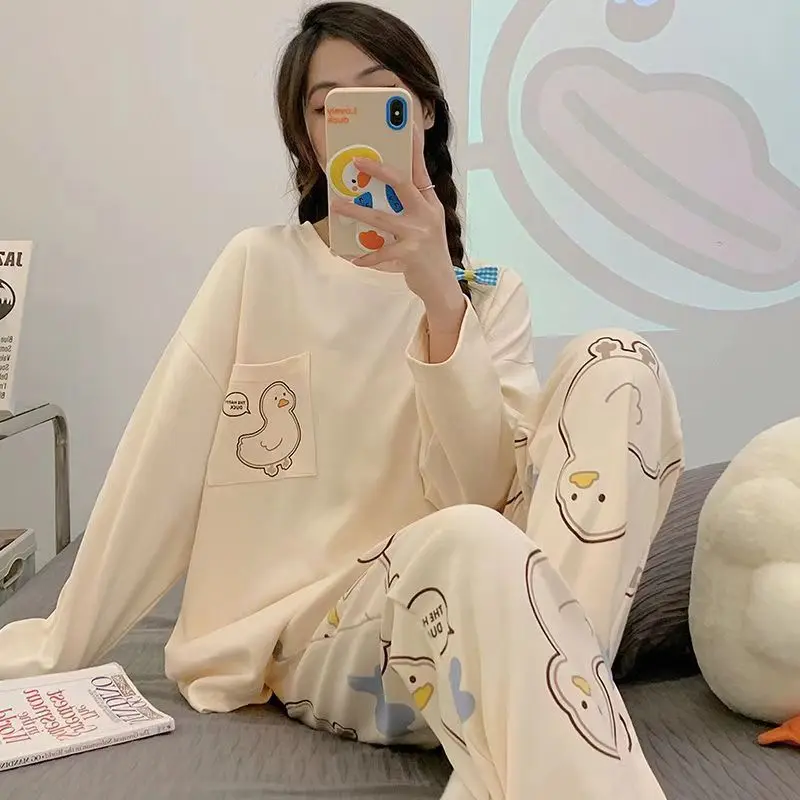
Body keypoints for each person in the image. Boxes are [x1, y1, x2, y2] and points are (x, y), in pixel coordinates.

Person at [0, 2, 684, 797]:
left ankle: (550, 688)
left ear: (424, 112)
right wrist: (63, 645)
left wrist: (440, 300)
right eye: (328, 108)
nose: (351, 123)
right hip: (330, 639)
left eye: (382, 98)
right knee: (471, 542)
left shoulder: (487, 294)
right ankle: (552, 703)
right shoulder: (259, 267)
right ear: (308, 139)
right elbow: (159, 463)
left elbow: (482, 490)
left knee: (618, 361)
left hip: (485, 614)